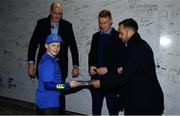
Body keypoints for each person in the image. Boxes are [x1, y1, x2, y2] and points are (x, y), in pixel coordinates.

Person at [91, 18, 164, 115]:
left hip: (145, 103)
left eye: (121, 33)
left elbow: (124, 78)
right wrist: (124, 69)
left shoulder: (136, 47)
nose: (119, 36)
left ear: (129, 32)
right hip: (139, 100)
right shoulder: (136, 45)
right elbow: (134, 70)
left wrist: (102, 84)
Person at [27, 1, 79, 113]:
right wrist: (31, 63)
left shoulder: (67, 26)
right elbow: (33, 44)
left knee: (59, 96)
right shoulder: (41, 24)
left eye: (60, 13)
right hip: (47, 103)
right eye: (55, 13)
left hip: (61, 66)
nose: (57, 16)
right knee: (51, 90)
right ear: (50, 12)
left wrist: (76, 65)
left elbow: (73, 47)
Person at [88, 10, 125, 115]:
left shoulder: (119, 36)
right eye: (100, 23)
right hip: (96, 80)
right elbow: (91, 55)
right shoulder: (95, 36)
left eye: (105, 23)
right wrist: (91, 66)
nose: (102, 25)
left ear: (111, 21)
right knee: (96, 111)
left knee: (113, 112)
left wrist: (108, 69)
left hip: (111, 82)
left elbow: (122, 59)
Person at [35, 33, 79, 115]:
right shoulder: (49, 62)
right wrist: (67, 85)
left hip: (47, 100)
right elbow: (48, 85)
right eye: (53, 45)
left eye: (58, 45)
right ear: (46, 45)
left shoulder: (47, 57)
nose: (56, 48)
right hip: (48, 102)